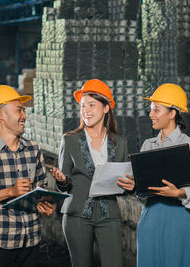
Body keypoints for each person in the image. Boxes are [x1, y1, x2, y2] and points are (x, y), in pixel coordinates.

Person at [117, 83, 190, 267]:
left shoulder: (187, 144)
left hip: (179, 218)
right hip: (151, 217)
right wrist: (135, 187)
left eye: (156, 110)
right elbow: (143, 191)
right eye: (151, 110)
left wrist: (180, 193)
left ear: (172, 113)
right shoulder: (148, 145)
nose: (151, 115)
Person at [0, 85, 55, 267]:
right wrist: (10, 192)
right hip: (1, 240)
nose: (24, 115)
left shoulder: (33, 148)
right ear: (1, 115)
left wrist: (43, 203)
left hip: (31, 239)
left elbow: (41, 187)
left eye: (23, 110)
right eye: (19, 110)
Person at [50, 79, 131, 267]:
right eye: (82, 106)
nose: (86, 110)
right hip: (76, 214)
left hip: (108, 215)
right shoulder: (69, 141)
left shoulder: (120, 143)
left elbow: (122, 183)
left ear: (105, 108)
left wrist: (130, 186)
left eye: (92, 105)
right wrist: (62, 180)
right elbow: (64, 184)